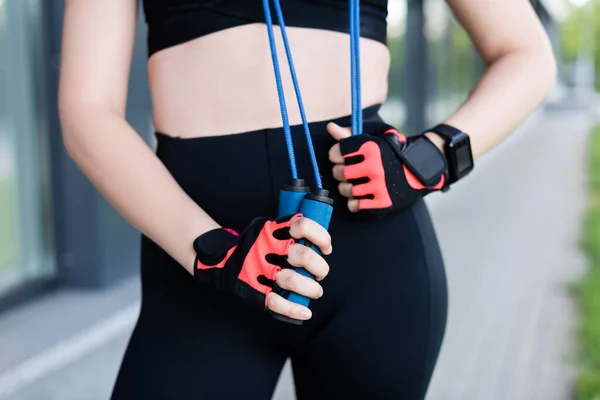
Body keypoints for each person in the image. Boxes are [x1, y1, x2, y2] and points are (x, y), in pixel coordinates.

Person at [58, 0, 556, 398]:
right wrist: (213, 250)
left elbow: (526, 54)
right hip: (201, 258)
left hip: (376, 259)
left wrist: (429, 160)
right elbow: (87, 110)